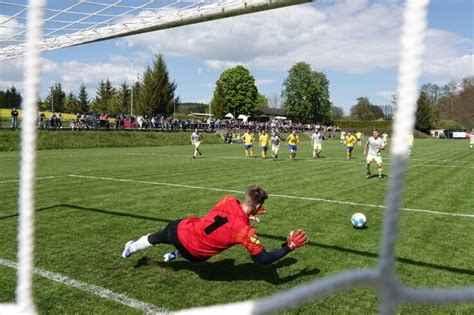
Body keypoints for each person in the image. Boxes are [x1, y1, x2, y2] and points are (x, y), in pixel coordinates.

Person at [122, 186, 308, 264]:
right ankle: (175, 254)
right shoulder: (245, 231)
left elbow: (227, 216)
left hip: (180, 231)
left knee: (156, 237)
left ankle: (130, 248)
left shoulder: (227, 200)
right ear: (259, 206)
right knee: (202, 244)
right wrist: (288, 246)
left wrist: (247, 213)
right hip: (195, 256)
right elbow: (264, 259)